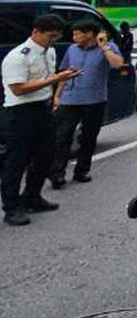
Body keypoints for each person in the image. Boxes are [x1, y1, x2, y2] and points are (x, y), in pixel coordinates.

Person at [2, 14, 79, 226]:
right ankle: (11, 207)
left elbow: (47, 79)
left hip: (43, 109)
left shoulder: (50, 51)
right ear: (35, 32)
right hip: (20, 113)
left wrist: (58, 84)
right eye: (49, 36)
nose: (52, 41)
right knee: (16, 162)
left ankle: (32, 196)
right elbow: (18, 89)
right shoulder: (18, 56)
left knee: (46, 156)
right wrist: (56, 79)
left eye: (56, 37)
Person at [49, 19, 125, 188]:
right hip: (69, 99)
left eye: (78, 34)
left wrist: (104, 47)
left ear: (90, 34)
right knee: (62, 136)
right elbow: (65, 72)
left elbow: (117, 64)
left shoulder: (108, 48)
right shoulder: (72, 49)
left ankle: (82, 171)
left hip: (95, 100)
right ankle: (57, 173)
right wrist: (57, 96)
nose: (74, 37)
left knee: (88, 137)